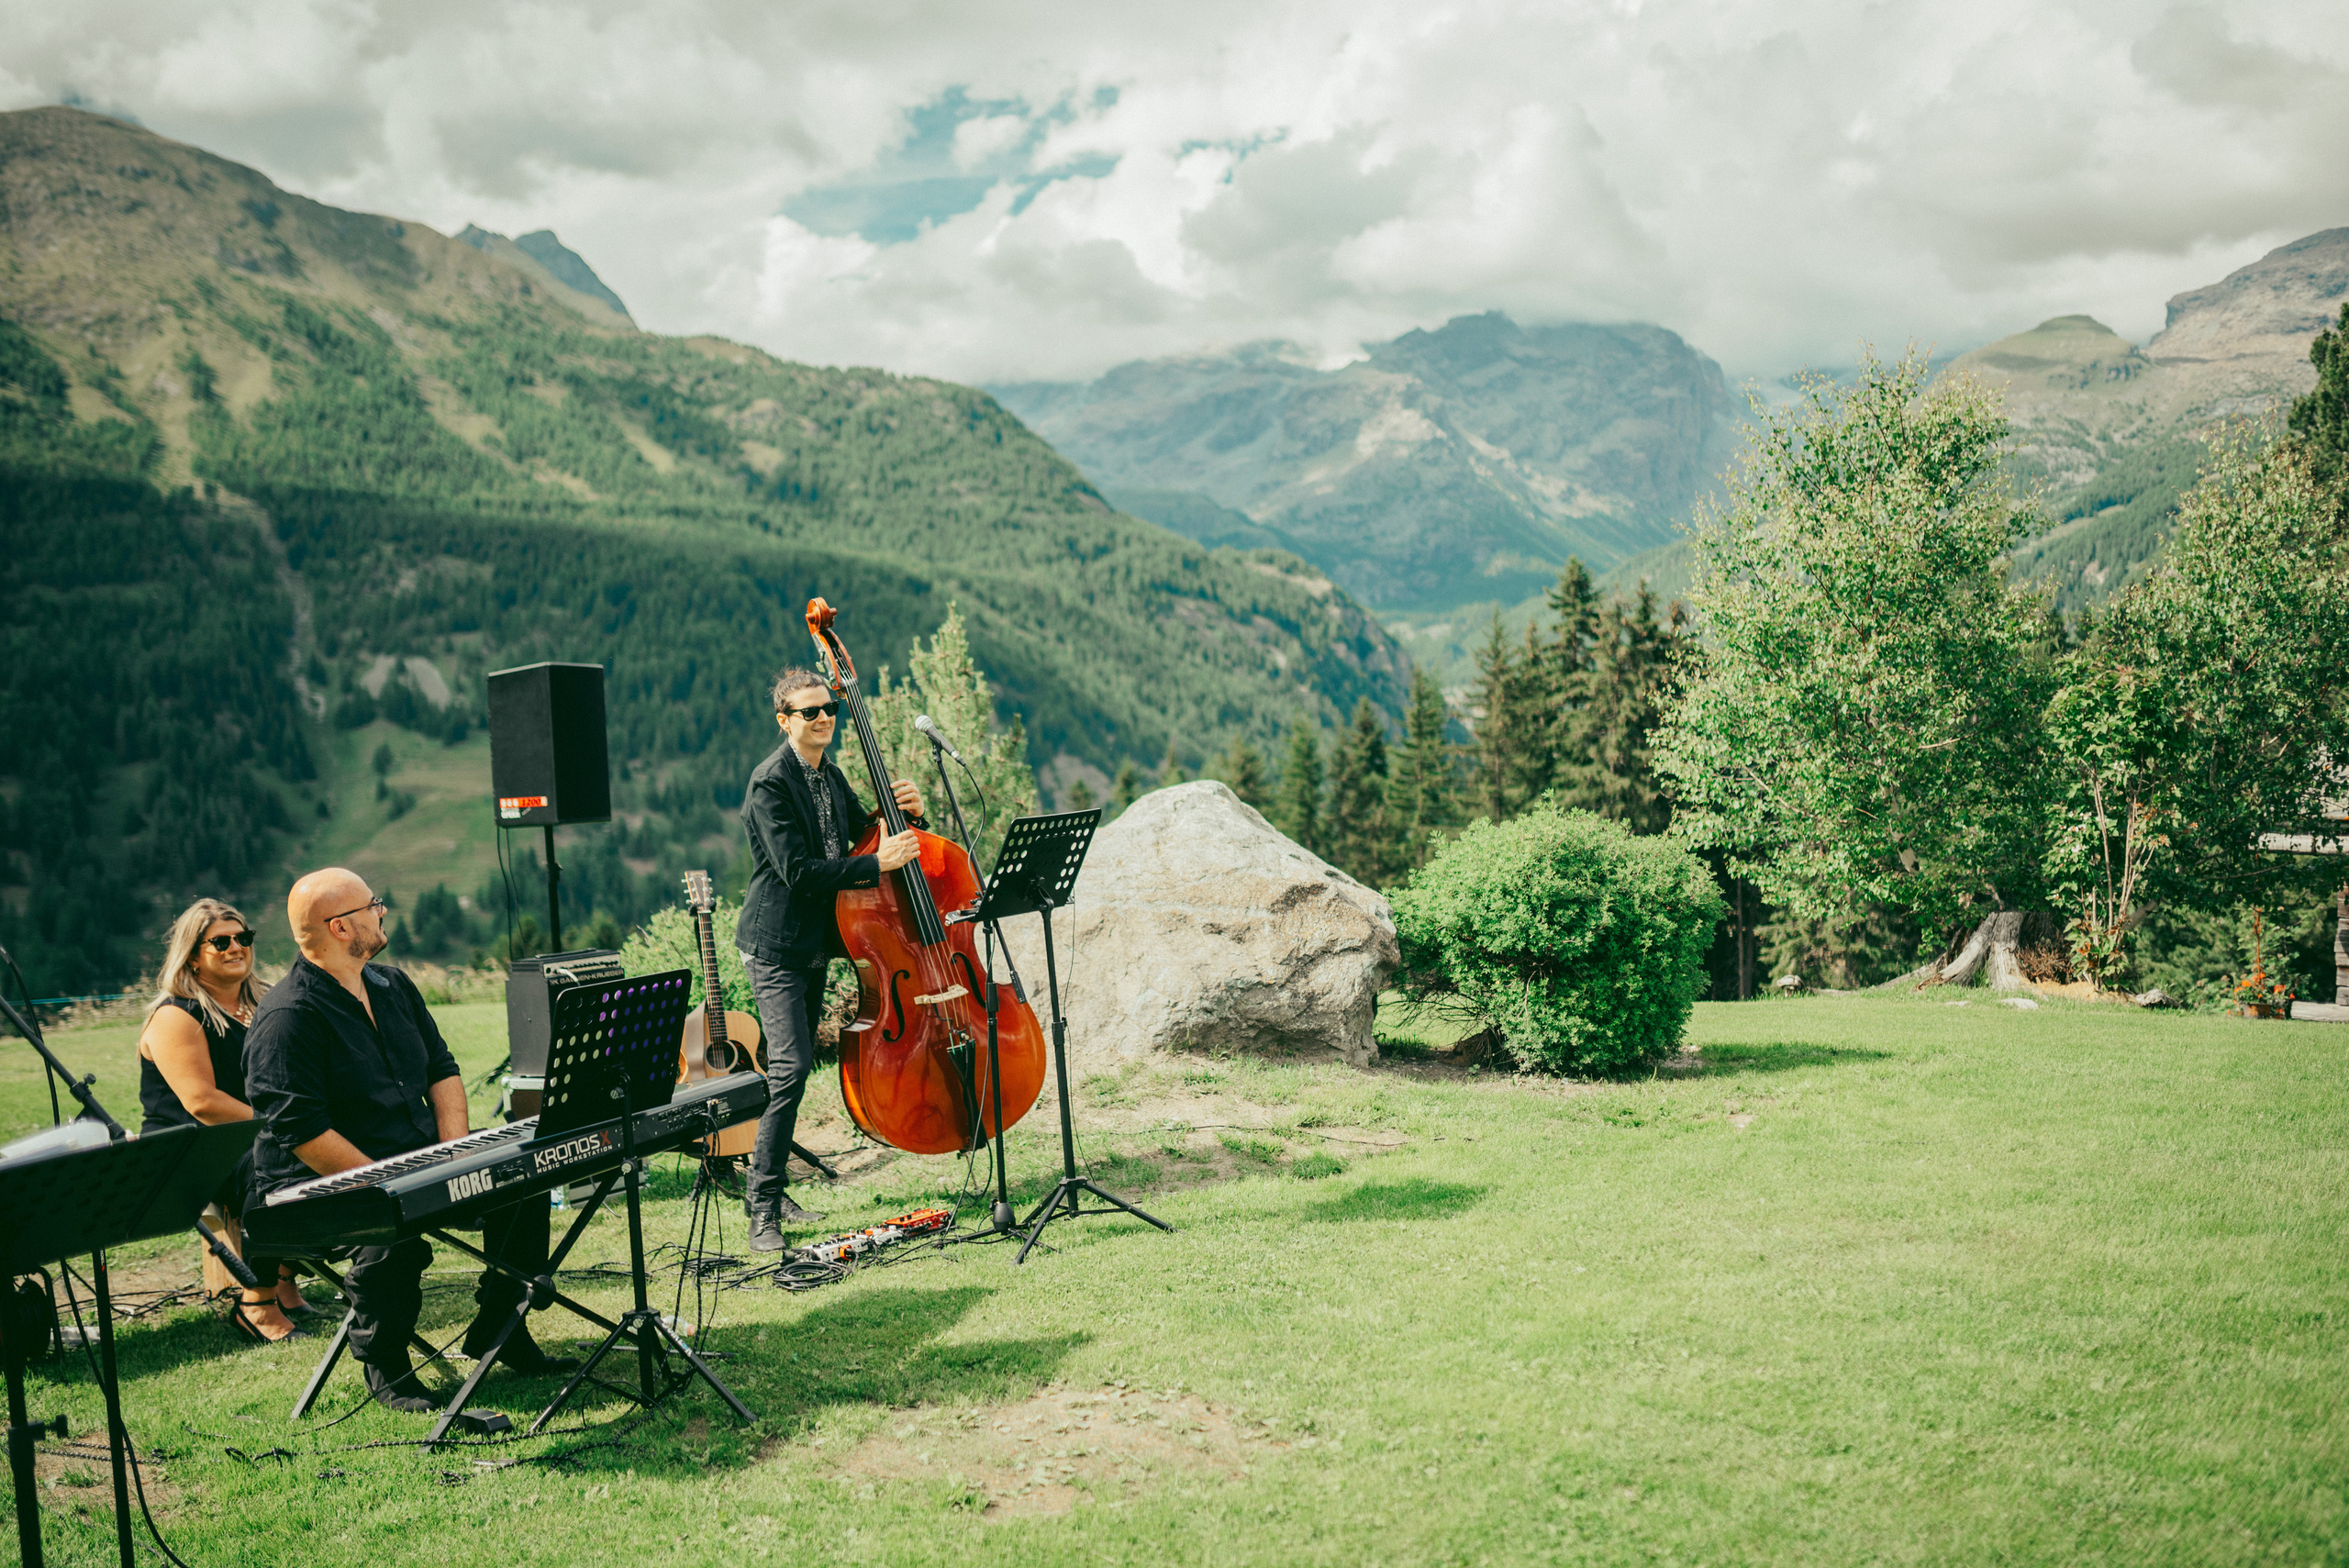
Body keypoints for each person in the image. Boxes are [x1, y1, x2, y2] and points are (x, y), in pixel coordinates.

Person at [243, 867, 574, 1414]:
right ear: (342, 927)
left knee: (522, 1173)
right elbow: (301, 1131)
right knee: (390, 1232)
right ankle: (388, 1368)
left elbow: (442, 1071)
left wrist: (453, 1156)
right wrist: (389, 1184)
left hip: (416, 1157)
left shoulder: (392, 984)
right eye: (373, 904)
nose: (383, 911)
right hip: (316, 1186)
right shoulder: (287, 1017)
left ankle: (501, 1326)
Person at [736, 667, 925, 1252]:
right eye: (810, 712)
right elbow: (799, 872)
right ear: (784, 720)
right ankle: (762, 1207)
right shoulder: (770, 784)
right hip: (775, 946)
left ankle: (766, 1183)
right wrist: (878, 863)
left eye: (829, 710)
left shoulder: (830, 775)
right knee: (791, 1067)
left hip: (817, 942)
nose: (823, 719)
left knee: (787, 1070)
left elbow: (863, 838)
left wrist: (904, 816)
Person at [137, 897, 308, 1344]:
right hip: (191, 1147)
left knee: (322, 1151)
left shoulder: (268, 1000)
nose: (236, 948)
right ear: (192, 954)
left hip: (253, 1133)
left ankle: (285, 1279)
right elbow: (203, 1103)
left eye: (243, 938)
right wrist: (281, 1124)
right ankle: (256, 1304)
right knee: (273, 1166)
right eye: (221, 942)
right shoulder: (176, 1015)